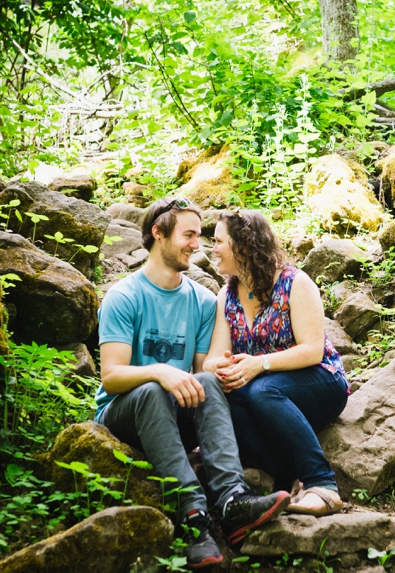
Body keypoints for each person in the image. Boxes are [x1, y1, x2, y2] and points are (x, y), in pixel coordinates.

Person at [94, 197, 291, 568]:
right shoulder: (124, 296)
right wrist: (160, 371)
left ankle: (233, 500)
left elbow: (202, 378)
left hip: (173, 418)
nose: (196, 245)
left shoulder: (202, 302)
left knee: (209, 382)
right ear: (158, 233)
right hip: (123, 416)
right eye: (188, 235)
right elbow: (112, 376)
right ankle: (193, 516)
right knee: (153, 389)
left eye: (199, 236)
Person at [206, 209, 351, 516]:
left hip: (319, 379)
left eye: (218, 241)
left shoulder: (294, 283)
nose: (212, 248)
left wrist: (259, 364)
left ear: (242, 246)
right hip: (264, 391)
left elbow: (312, 350)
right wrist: (224, 370)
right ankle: (286, 479)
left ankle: (323, 485)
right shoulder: (226, 296)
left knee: (263, 391)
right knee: (225, 400)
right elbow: (211, 361)